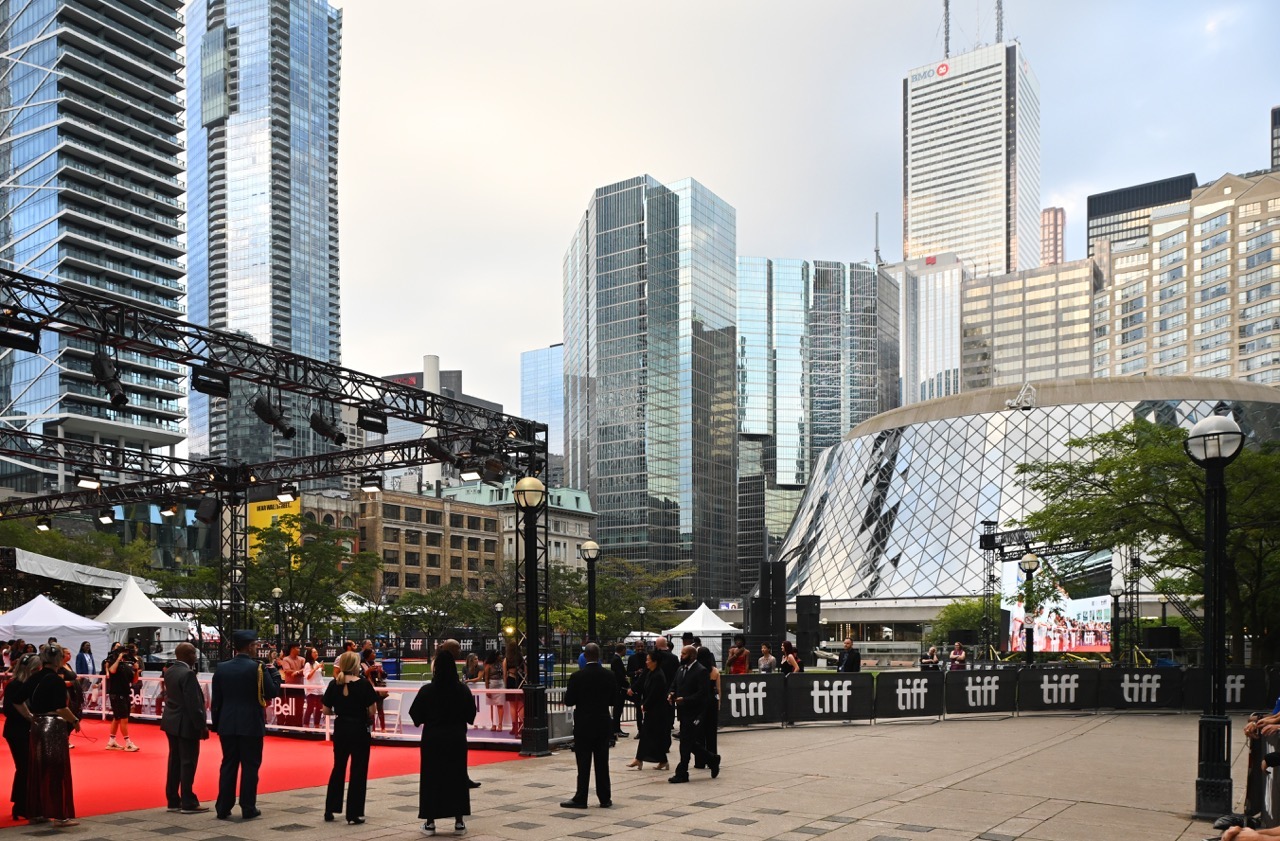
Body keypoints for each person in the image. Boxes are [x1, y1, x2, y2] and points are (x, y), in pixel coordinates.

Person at [211, 630, 282, 820]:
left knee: (228, 765)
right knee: (250, 766)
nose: (257, 647)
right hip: (250, 723)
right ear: (250, 646)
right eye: (255, 644)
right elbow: (272, 692)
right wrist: (274, 671)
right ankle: (248, 806)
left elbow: (216, 701)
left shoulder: (222, 668)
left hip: (227, 723)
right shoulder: (257, 668)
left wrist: (217, 724)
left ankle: (223, 807)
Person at [409, 649, 475, 836]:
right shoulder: (462, 689)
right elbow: (471, 715)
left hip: (433, 738)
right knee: (457, 776)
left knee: (431, 778)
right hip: (455, 737)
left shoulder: (427, 690)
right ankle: (459, 821)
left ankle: (430, 822)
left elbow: (416, 716)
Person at [18, 644, 80, 826]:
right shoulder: (55, 680)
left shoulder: (34, 677)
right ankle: (60, 815)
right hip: (53, 726)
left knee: (38, 769)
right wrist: (75, 720)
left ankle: (37, 812)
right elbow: (61, 708)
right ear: (59, 659)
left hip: (37, 725)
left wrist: (30, 717)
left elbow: (16, 699)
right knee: (56, 770)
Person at [322, 651, 377, 824]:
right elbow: (372, 710)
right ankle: (353, 812)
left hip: (341, 728)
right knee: (358, 770)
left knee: (338, 767)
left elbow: (326, 710)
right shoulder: (363, 685)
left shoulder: (333, 684)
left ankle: (330, 808)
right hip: (359, 729)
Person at [560, 643, 615, 809]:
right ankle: (605, 797)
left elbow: (569, 700)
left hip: (584, 723)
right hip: (602, 721)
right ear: (599, 656)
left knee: (583, 762)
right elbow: (613, 700)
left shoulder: (577, 676)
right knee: (602, 761)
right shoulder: (609, 675)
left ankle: (581, 796)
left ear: (585, 656)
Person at [161, 643, 210, 814]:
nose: (196, 657)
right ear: (188, 655)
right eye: (194, 654)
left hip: (171, 721)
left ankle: (173, 799)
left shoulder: (170, 671)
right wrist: (202, 725)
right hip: (186, 723)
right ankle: (188, 801)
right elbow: (194, 703)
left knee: (174, 761)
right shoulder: (188, 673)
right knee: (188, 762)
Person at [667, 645, 720, 783]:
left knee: (685, 742)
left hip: (695, 713)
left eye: (684, 654)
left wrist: (685, 700)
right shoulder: (680, 669)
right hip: (683, 712)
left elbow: (703, 694)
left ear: (692, 656)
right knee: (688, 742)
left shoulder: (700, 671)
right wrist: (671, 694)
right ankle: (712, 759)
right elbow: (674, 685)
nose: (681, 656)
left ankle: (682, 772)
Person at [3, 652, 38, 821]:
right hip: (17, 731)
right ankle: (21, 805)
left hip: (25, 730)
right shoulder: (15, 685)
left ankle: (23, 804)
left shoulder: (27, 685)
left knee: (27, 767)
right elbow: (9, 710)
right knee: (25, 767)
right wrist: (29, 716)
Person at [628, 649, 671, 771]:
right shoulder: (651, 673)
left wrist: (644, 705)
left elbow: (654, 694)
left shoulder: (658, 675)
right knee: (648, 735)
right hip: (652, 710)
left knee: (650, 735)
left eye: (648, 660)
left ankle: (648, 759)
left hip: (657, 711)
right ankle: (643, 759)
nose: (646, 662)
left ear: (655, 662)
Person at [105, 643, 140, 751]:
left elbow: (134, 681)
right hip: (116, 694)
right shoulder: (113, 661)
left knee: (117, 718)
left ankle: (111, 741)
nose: (125, 654)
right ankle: (128, 743)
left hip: (125, 693)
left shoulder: (127, 665)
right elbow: (112, 671)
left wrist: (136, 671)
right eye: (123, 652)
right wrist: (118, 659)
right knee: (123, 718)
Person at [276, 643, 305, 727]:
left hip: (300, 686)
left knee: (300, 706)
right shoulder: (286, 659)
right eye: (297, 648)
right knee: (290, 706)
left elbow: (305, 669)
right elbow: (287, 671)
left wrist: (297, 672)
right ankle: (289, 724)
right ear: (292, 649)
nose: (299, 650)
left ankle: (299, 724)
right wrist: (299, 671)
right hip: (290, 687)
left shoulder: (302, 659)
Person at [360, 648, 387, 731]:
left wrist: (381, 671)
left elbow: (384, 676)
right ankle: (373, 730)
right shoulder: (362, 664)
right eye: (373, 653)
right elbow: (362, 676)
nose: (375, 654)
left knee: (380, 709)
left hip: (378, 690)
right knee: (371, 711)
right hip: (368, 690)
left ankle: (383, 728)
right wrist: (369, 670)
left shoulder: (377, 664)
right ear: (368, 655)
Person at [626, 641, 648, 736]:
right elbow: (628, 673)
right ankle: (640, 730)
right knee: (638, 709)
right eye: (638, 646)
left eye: (642, 646)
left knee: (647, 708)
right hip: (636, 686)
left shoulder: (648, 657)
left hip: (647, 686)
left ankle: (647, 729)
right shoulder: (632, 658)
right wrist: (636, 672)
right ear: (635, 647)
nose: (640, 648)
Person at [301, 648, 326, 728]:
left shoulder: (316, 662)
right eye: (314, 652)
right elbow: (308, 676)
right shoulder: (308, 664)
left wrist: (321, 668)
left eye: (316, 651)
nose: (316, 653)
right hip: (312, 689)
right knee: (310, 708)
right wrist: (315, 668)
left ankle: (316, 725)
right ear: (310, 654)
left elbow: (319, 674)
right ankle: (306, 725)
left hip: (319, 688)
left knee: (319, 708)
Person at [482, 650, 505, 731]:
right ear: (495, 656)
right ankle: (493, 724)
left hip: (501, 684)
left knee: (500, 705)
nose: (501, 656)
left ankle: (500, 724)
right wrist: (487, 690)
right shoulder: (488, 665)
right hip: (492, 685)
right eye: (500, 655)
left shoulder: (502, 663)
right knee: (492, 706)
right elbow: (486, 678)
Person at [609, 643, 629, 738]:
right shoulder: (617, 660)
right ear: (622, 650)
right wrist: (626, 682)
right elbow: (620, 675)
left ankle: (616, 729)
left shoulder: (615, 659)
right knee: (618, 710)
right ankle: (616, 729)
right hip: (619, 688)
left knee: (618, 710)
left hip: (618, 687)